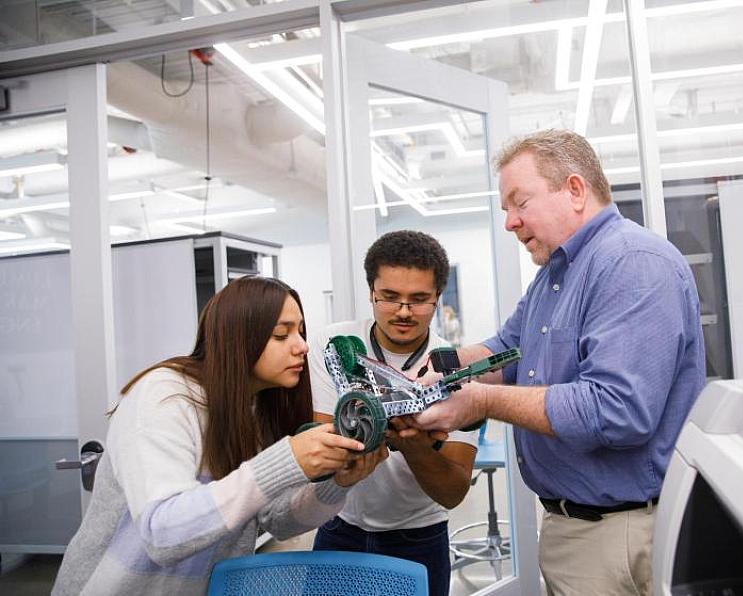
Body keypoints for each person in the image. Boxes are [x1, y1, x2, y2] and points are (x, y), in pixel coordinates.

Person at [410, 130, 706, 596]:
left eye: (519, 202)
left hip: (619, 534)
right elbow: (508, 350)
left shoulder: (632, 264)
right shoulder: (556, 274)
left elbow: (616, 411)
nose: (509, 222)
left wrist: (481, 400)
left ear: (574, 189)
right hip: (574, 527)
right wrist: (441, 368)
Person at [53, 276, 387, 596]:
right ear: (238, 338)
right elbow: (162, 532)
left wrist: (336, 484)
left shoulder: (257, 409)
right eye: (281, 335)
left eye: (300, 331)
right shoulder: (164, 397)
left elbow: (277, 521)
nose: (301, 346)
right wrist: (284, 461)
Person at [309, 230, 477, 596]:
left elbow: (452, 492)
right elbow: (323, 456)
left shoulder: (455, 368)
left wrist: (414, 444)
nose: (403, 311)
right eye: (389, 297)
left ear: (437, 298)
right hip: (340, 527)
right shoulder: (335, 347)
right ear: (371, 291)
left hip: (418, 538)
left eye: (418, 300)